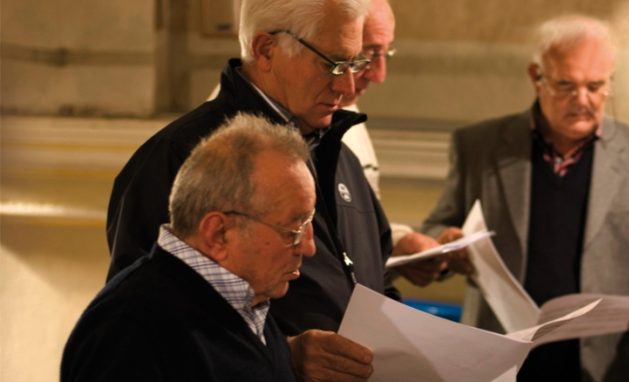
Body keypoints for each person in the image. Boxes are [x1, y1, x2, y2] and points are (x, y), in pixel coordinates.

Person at [105, 0, 435, 380]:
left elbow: (374, 281)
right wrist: (285, 356)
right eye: (333, 64)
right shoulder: (180, 160)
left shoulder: (339, 154)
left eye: (353, 64)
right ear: (266, 50)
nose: (346, 86)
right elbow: (140, 329)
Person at [422, 15, 629, 382]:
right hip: (500, 357)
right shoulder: (478, 145)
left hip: (604, 364)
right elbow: (439, 225)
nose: (583, 100)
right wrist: (445, 244)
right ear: (536, 76)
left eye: (596, 86)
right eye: (566, 85)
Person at [62, 114, 315, 381]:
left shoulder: (248, 302)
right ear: (218, 233)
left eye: (309, 221)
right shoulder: (129, 328)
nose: (309, 247)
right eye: (294, 229)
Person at [340, 0, 446, 286]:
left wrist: (398, 242)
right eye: (368, 53)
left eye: (386, 54)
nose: (379, 75)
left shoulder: (344, 107)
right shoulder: (245, 130)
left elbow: (355, 219)